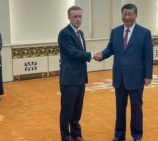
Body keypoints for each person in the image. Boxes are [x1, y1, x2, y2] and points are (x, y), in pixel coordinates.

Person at [97, 4, 153, 141]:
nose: (127, 17)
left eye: (130, 14)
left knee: (136, 109)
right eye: (124, 14)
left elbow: (148, 56)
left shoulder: (145, 33)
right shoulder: (115, 32)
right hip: (119, 78)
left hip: (136, 77)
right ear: (121, 15)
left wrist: (148, 75)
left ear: (136, 15)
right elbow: (110, 49)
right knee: (120, 109)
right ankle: (119, 135)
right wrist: (101, 55)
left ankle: (137, 135)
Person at [58, 5, 99, 141]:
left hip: (80, 78)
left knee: (77, 110)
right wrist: (92, 55)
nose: (78, 19)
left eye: (80, 16)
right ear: (69, 17)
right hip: (69, 79)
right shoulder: (64, 33)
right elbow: (73, 53)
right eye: (75, 16)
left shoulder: (80, 33)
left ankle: (76, 134)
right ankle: (66, 137)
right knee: (67, 111)